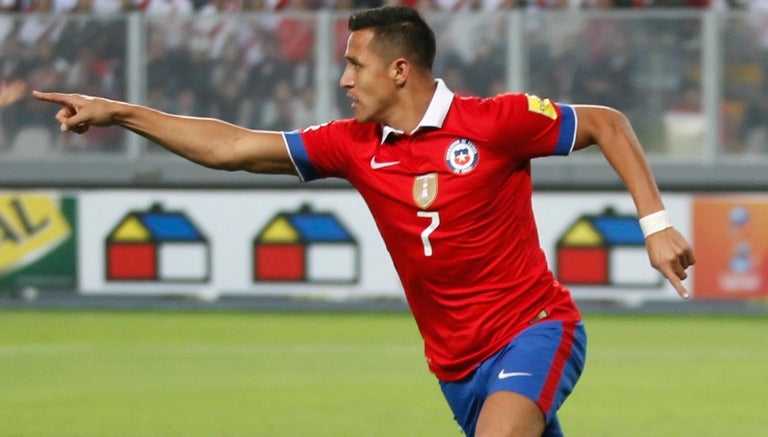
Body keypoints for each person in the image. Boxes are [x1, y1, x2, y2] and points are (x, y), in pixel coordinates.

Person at [32, 5, 694, 436]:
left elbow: (609, 123)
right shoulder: (352, 144)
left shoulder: (493, 122)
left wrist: (655, 222)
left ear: (399, 69)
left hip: (534, 331)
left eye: (355, 63)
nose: (344, 77)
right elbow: (232, 147)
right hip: (455, 367)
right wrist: (119, 111)